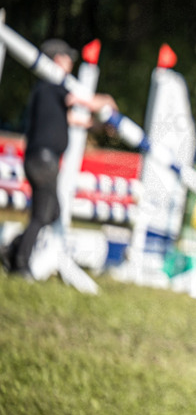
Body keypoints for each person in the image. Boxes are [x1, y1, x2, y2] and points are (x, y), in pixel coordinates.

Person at [1, 39, 116, 278]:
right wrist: (108, 103)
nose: (70, 62)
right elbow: (85, 101)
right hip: (43, 160)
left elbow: (78, 120)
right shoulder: (53, 86)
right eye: (67, 57)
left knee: (50, 213)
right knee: (43, 214)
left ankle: (13, 250)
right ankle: (19, 264)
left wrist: (101, 126)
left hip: (41, 160)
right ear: (56, 60)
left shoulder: (47, 92)